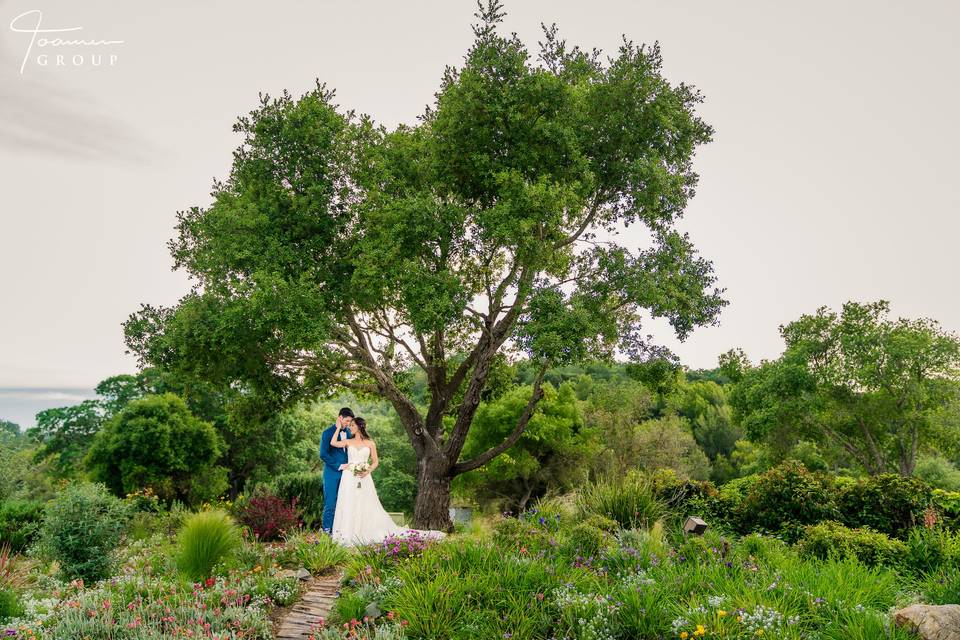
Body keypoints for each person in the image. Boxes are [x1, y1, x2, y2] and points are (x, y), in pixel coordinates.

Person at [329, 416, 446, 546]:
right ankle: (347, 534)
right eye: (349, 425)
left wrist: (367, 470)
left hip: (364, 477)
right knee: (349, 504)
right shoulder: (348, 441)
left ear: (359, 427)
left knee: (366, 504)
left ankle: (363, 532)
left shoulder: (370, 443)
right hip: (349, 477)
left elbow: (375, 462)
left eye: (352, 425)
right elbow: (333, 443)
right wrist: (338, 428)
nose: (350, 427)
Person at [319, 407, 355, 534]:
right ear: (340, 417)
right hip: (332, 474)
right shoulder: (327, 433)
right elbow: (323, 454)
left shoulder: (350, 433)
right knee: (330, 503)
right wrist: (339, 465)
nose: (348, 424)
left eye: (350, 422)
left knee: (345, 503)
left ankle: (340, 531)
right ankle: (326, 531)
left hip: (348, 475)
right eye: (346, 421)